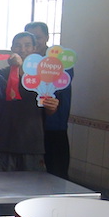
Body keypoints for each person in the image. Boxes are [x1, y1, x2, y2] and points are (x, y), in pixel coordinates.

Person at [0, 31, 59, 217]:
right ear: (12, 49)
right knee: (1, 190)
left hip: (32, 143)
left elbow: (49, 109)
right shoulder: (1, 74)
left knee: (32, 191)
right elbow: (5, 93)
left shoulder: (44, 77)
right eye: (18, 45)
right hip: (4, 141)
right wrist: (15, 69)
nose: (23, 49)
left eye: (27, 45)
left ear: (35, 49)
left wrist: (53, 107)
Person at [25, 21, 72, 180]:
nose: (35, 42)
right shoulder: (26, 64)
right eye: (31, 38)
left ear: (47, 37)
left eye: (38, 37)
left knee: (56, 175)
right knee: (32, 176)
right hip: (31, 128)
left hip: (54, 127)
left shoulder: (59, 62)